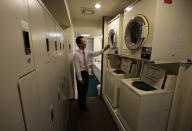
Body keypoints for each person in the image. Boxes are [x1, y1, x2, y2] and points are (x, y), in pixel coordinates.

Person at [73, 36, 110, 111]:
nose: (85, 43)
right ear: (79, 44)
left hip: (86, 73)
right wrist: (80, 78)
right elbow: (77, 68)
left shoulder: (86, 52)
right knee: (81, 91)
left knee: (85, 89)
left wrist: (104, 49)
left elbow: (95, 53)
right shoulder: (76, 55)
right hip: (81, 74)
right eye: (84, 42)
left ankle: (83, 104)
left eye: (85, 42)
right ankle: (81, 107)